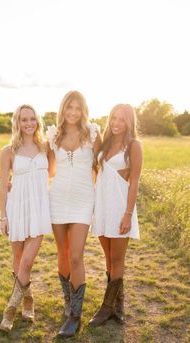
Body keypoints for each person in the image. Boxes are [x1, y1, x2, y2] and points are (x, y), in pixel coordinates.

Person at [46, 90, 101, 337]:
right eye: (69, 107)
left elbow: (99, 167)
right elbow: (48, 170)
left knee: (77, 256)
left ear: (83, 110)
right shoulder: (53, 135)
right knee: (63, 253)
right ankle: (68, 303)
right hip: (57, 197)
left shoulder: (92, 133)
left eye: (78, 108)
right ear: (63, 109)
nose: (73, 112)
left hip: (82, 199)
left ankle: (74, 316)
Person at [0, 104, 51, 332]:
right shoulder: (8, 151)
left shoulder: (46, 147)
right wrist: (3, 216)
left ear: (37, 121)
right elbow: (2, 185)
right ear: (17, 123)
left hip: (38, 209)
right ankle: (28, 299)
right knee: (18, 260)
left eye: (32, 119)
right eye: (23, 120)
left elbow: (53, 173)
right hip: (16, 207)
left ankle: (10, 309)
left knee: (27, 262)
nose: (28, 123)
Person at [89, 104, 142, 327]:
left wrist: (128, 214)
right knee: (109, 259)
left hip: (120, 207)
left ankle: (106, 308)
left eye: (122, 119)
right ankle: (118, 304)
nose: (116, 123)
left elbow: (135, 181)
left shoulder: (134, 146)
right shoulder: (105, 142)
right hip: (102, 206)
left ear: (129, 122)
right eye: (113, 119)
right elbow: (92, 169)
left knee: (117, 259)